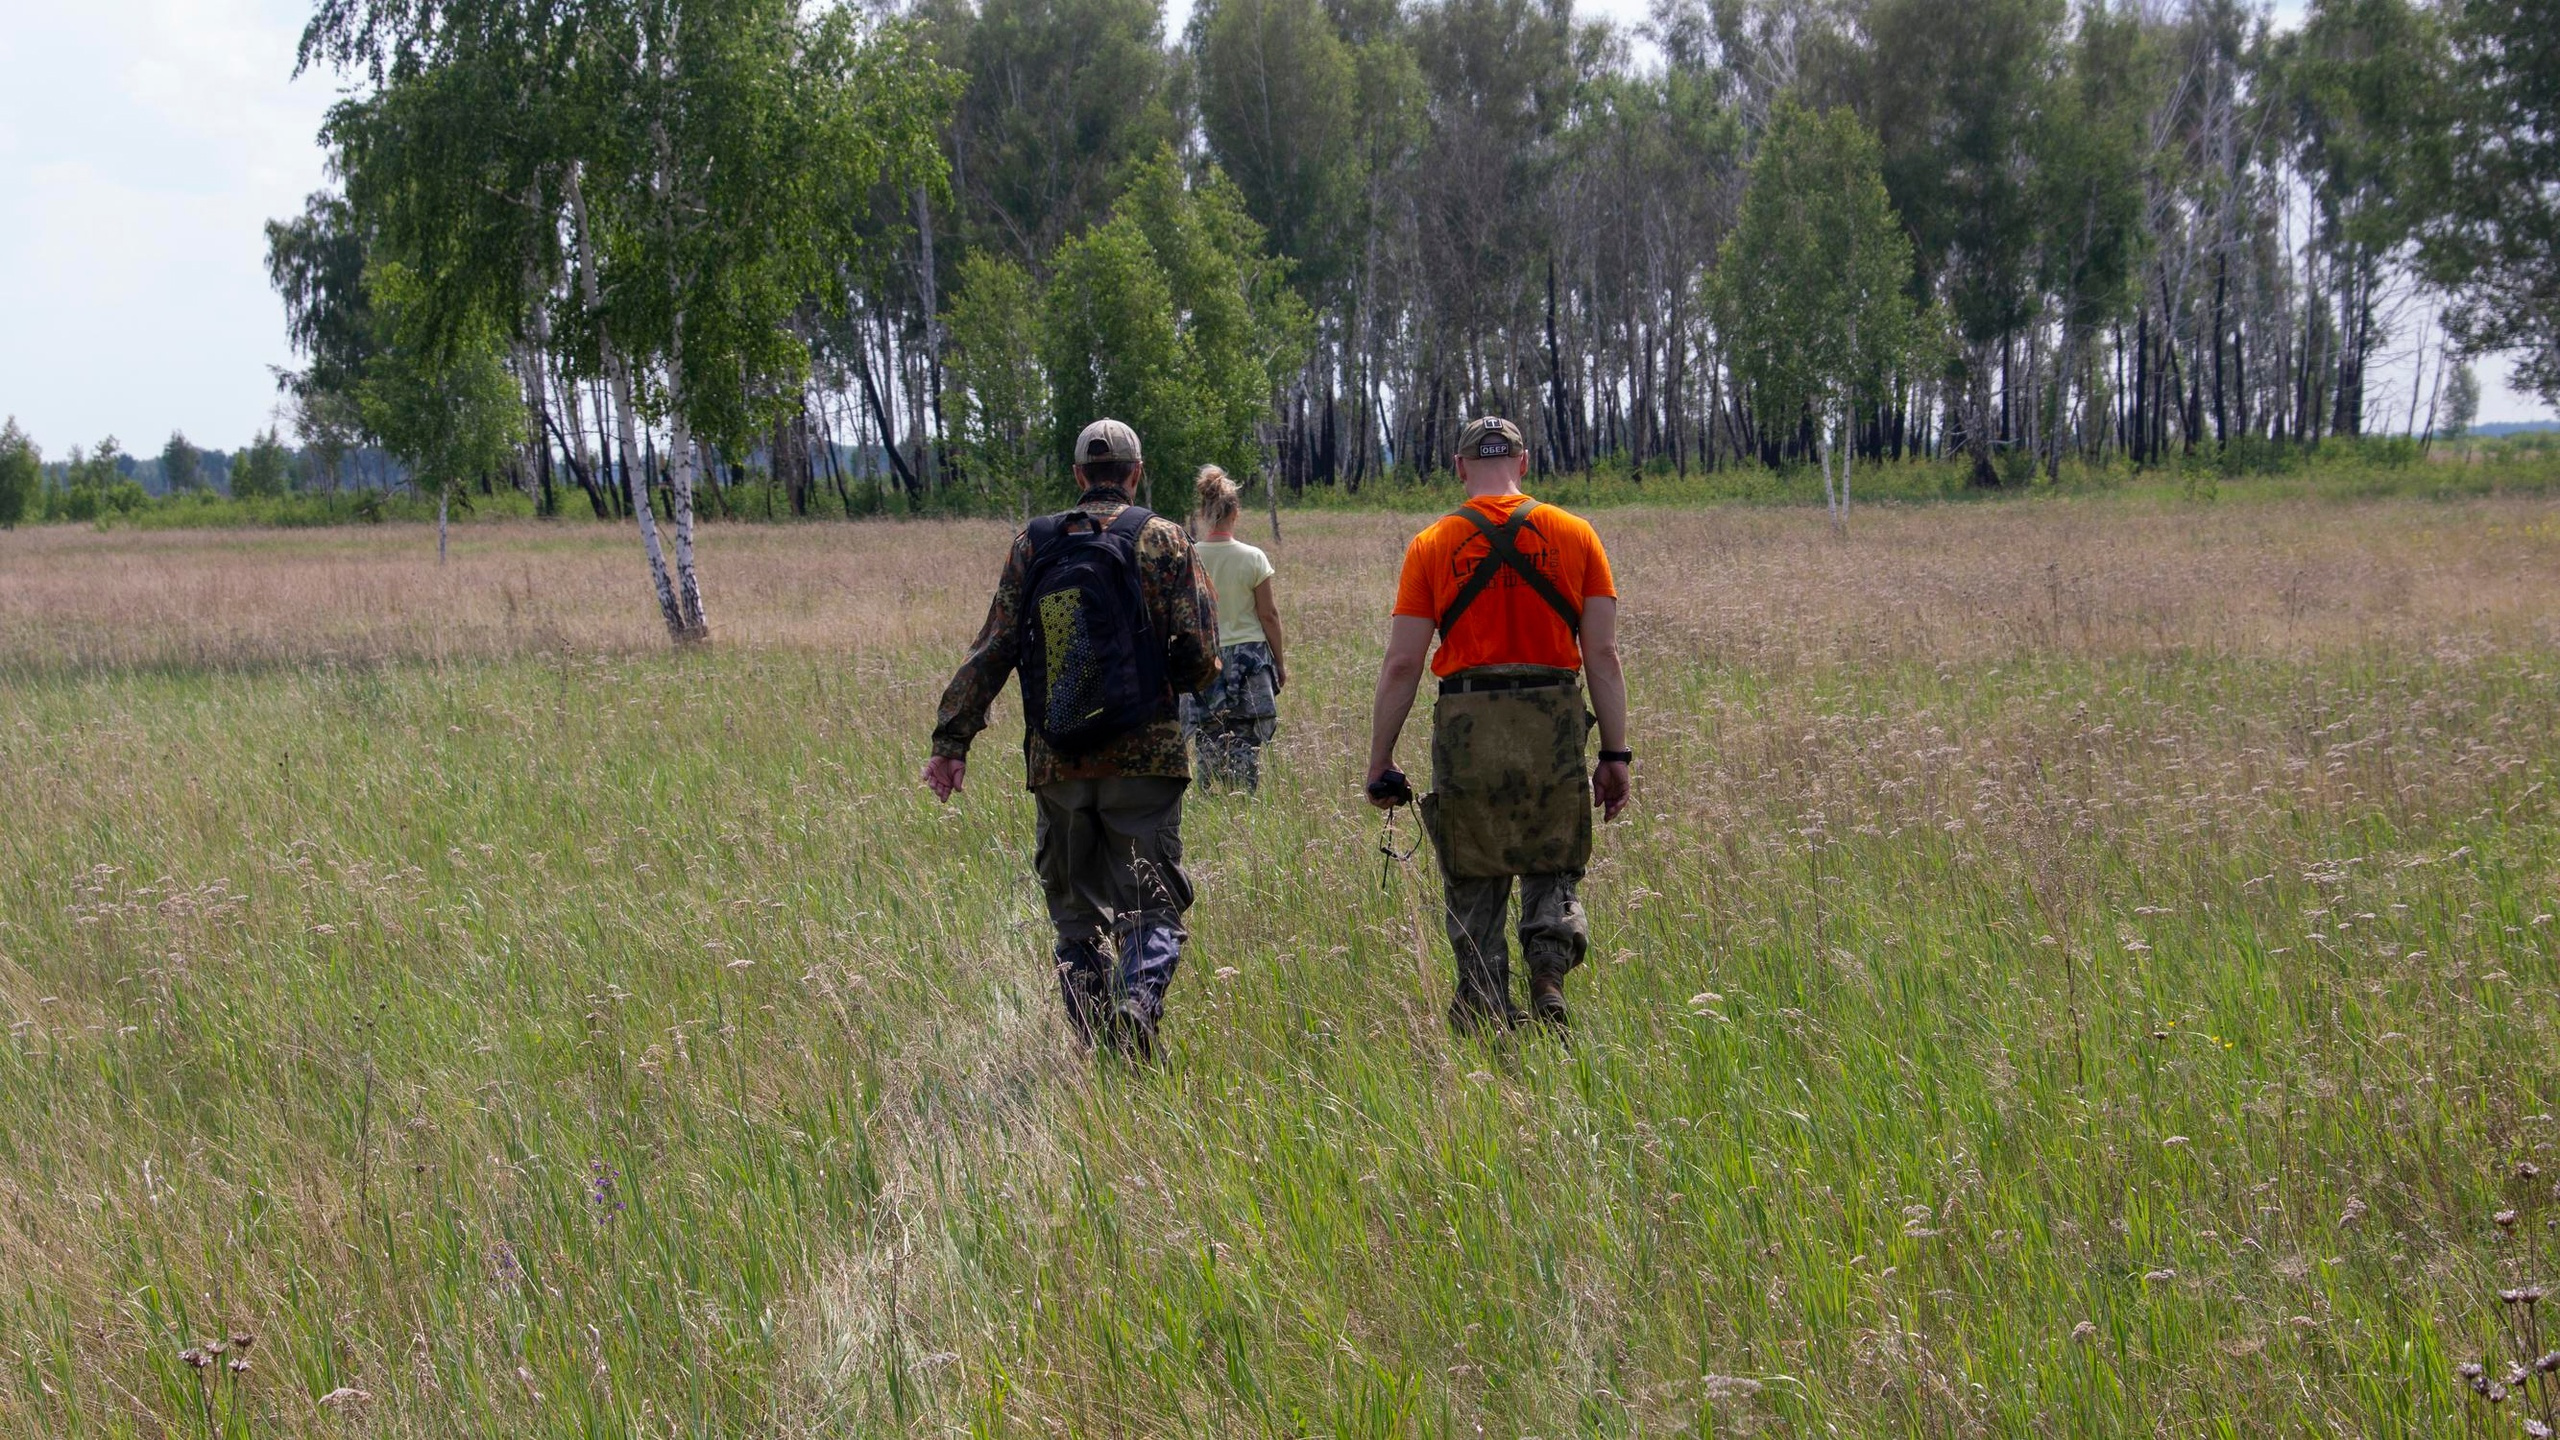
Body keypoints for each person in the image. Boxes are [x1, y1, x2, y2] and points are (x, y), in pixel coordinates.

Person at [923, 419, 1221, 1059]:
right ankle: (1135, 1008)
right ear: (1135, 472)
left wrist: (952, 740)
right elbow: (1200, 655)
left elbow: (994, 647)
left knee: (1076, 922)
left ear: (1080, 475)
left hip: (1056, 761)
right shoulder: (1165, 538)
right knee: (1151, 909)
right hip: (1145, 759)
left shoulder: (1031, 544)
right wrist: (1161, 685)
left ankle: (1098, 1048)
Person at [1362, 416, 1632, 1033]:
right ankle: (1548, 969)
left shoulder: (1431, 545)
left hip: (1467, 725)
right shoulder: (1577, 535)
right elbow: (1604, 657)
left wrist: (1380, 760)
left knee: (1474, 859)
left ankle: (1483, 997)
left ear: (1460, 468)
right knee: (1552, 851)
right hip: (1553, 720)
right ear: (1525, 463)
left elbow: (1404, 662)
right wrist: (1616, 755)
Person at [1181, 465, 1288, 792]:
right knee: (1245, 743)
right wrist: (1280, 664)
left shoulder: (1190, 557)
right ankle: (1244, 804)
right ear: (1235, 512)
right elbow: (1268, 615)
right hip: (1250, 661)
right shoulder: (1253, 557)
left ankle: (1213, 803)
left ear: (1203, 511)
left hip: (1205, 661)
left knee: (1208, 739)